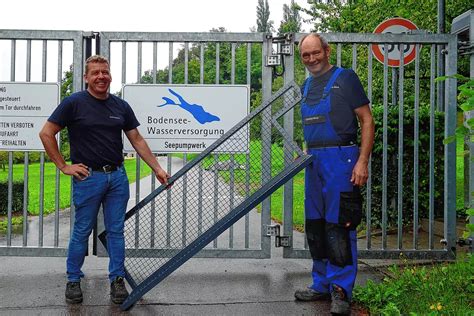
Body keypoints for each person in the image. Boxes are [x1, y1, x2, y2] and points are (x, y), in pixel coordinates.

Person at [39, 55, 170, 305]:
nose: (101, 77)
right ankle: (73, 279)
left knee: (116, 232)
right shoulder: (73, 103)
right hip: (88, 177)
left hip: (117, 178)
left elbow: (137, 139)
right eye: (96, 73)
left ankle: (117, 280)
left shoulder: (120, 106)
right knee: (82, 231)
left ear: (110, 76)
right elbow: (46, 133)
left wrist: (157, 168)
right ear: (86, 77)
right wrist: (63, 166)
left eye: (105, 72)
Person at [294, 34, 375, 315]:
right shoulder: (306, 85)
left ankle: (341, 289)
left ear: (326, 51)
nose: (312, 59)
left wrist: (362, 161)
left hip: (342, 160)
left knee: (339, 225)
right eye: (306, 55)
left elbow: (366, 119)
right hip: (314, 162)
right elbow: (312, 128)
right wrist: (305, 152)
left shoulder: (346, 78)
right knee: (316, 225)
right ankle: (321, 284)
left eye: (316, 53)